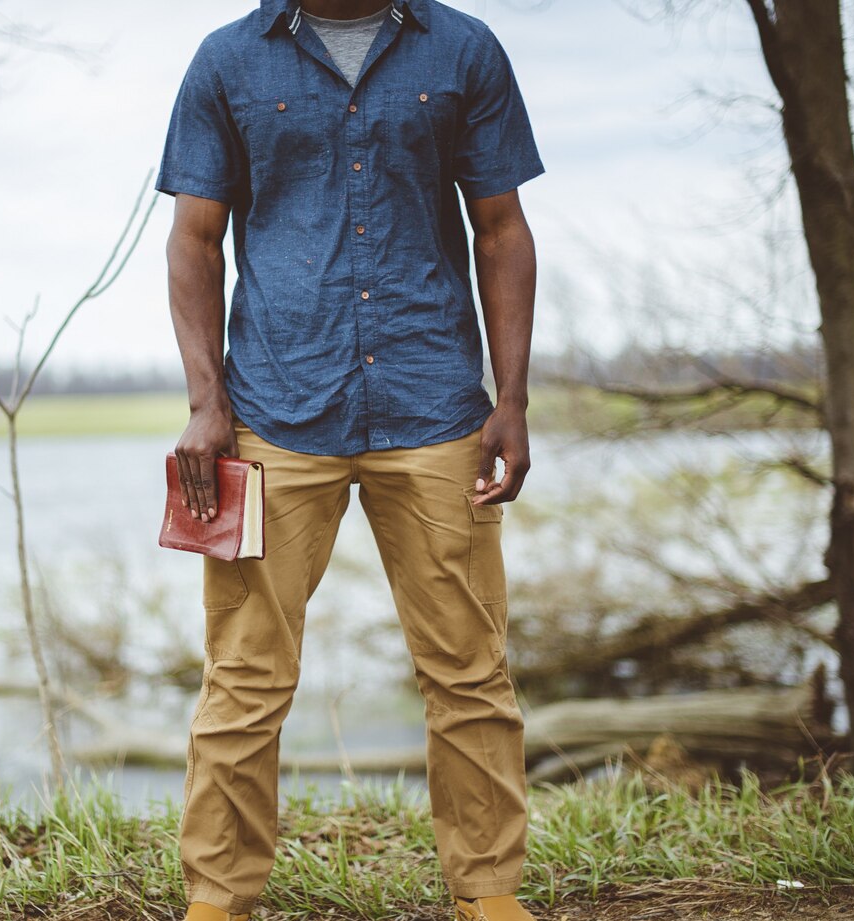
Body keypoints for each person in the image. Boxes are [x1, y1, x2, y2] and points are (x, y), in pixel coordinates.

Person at [156, 0, 544, 918]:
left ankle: (490, 892)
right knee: (244, 676)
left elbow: (502, 231)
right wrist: (206, 403)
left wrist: (514, 399)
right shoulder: (226, 62)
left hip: (436, 403)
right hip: (274, 415)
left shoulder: (462, 49)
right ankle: (217, 898)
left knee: (470, 667)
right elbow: (195, 239)